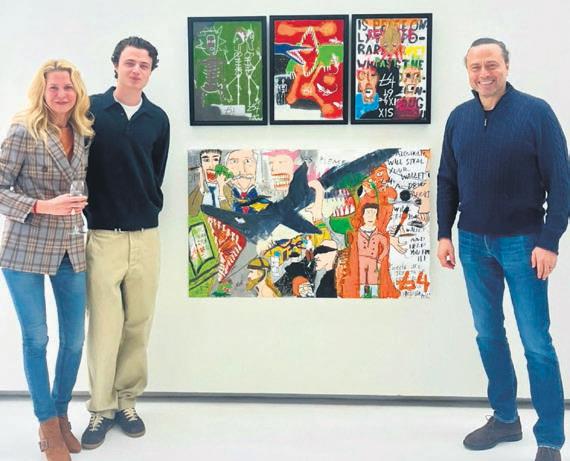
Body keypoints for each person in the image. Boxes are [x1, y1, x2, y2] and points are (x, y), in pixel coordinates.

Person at [437, 38, 569, 461]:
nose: (484, 74)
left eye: (491, 64)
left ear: (507, 67)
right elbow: (447, 179)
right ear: (468, 72)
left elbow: (561, 181)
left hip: (524, 244)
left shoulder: (536, 113)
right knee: (488, 335)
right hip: (472, 243)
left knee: (536, 342)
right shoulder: (459, 118)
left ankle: (550, 437)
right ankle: (506, 418)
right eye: (475, 67)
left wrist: (549, 240)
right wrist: (444, 233)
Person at [0, 60, 93, 461]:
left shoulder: (83, 132)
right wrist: (40, 205)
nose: (60, 94)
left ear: (77, 92)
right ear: (41, 91)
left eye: (67, 88)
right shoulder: (23, 130)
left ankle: (61, 414)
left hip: (71, 246)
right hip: (24, 248)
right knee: (36, 338)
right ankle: (46, 424)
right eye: (53, 87)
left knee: (74, 340)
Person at [81, 36, 170, 449]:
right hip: (103, 236)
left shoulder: (157, 119)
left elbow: (156, 172)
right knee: (104, 326)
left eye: (144, 65)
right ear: (116, 64)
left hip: (146, 237)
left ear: (151, 71)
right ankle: (100, 409)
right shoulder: (91, 110)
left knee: (138, 323)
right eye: (130, 62)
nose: (136, 70)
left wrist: (148, 207)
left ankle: (127, 402)